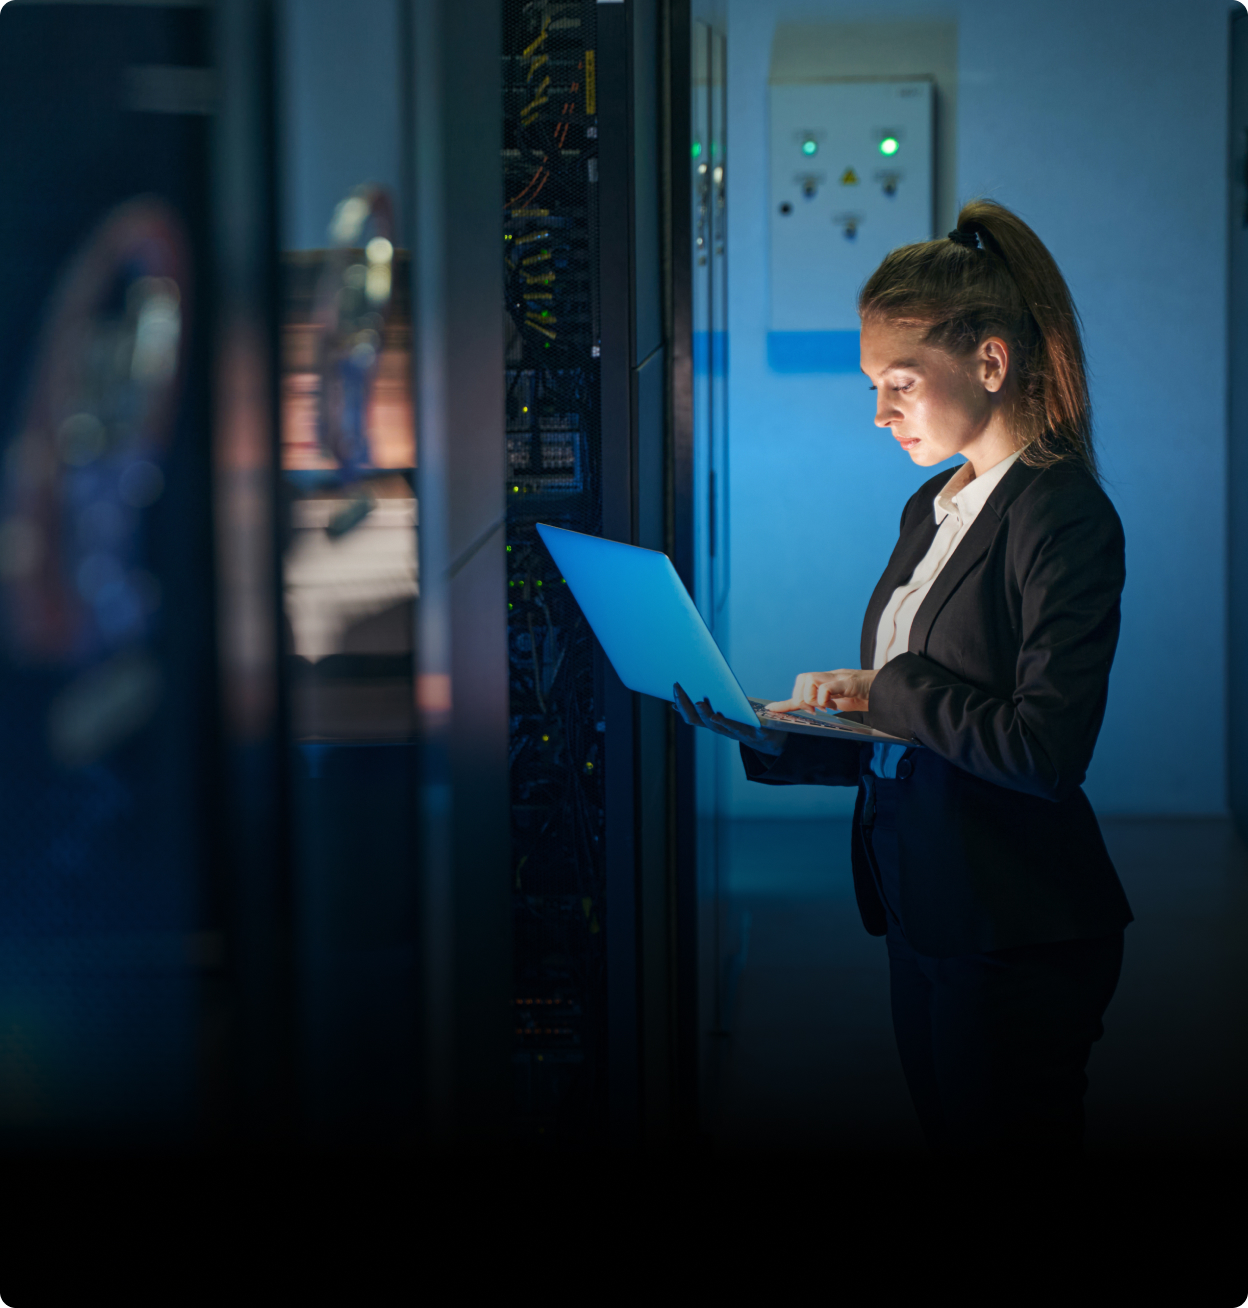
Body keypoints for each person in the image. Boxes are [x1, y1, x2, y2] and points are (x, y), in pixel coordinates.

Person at [674, 198, 1133, 1158]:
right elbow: (921, 731)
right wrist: (777, 729)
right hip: (923, 898)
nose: (879, 413)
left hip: (1013, 927)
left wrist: (887, 687)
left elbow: (1045, 750)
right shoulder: (936, 501)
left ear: (992, 363)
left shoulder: (1064, 518)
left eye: (900, 383)